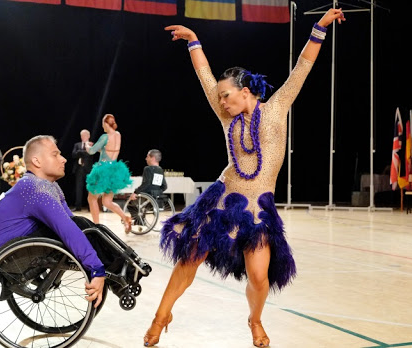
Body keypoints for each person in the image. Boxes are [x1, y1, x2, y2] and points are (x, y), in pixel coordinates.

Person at [143, 8, 346, 348]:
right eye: (219, 97)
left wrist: (320, 27)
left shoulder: (277, 108)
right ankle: (161, 315)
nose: (221, 101)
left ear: (246, 91)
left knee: (259, 275)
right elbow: (205, 76)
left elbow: (302, 69)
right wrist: (194, 41)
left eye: (226, 95)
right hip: (224, 198)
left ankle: (255, 319)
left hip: (259, 208)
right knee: (190, 256)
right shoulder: (228, 119)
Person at [0, 135, 105, 307]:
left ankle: (122, 266)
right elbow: (68, 230)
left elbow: (72, 222)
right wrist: (96, 268)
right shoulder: (36, 187)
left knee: (85, 225)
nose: (64, 159)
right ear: (37, 161)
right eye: (55, 154)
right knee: (80, 228)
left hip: (6, 241)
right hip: (8, 253)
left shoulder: (47, 185)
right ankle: (121, 270)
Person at [85, 114, 133, 232]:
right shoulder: (118, 135)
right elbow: (109, 150)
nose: (102, 126)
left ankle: (97, 226)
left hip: (103, 171)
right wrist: (101, 149)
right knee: (107, 201)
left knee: (92, 199)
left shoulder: (105, 136)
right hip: (114, 170)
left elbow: (91, 151)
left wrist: (86, 144)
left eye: (103, 123)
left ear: (106, 123)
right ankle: (125, 217)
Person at [71, 129, 93, 211]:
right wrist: (83, 152)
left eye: (85, 135)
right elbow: (73, 154)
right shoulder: (77, 145)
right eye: (82, 135)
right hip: (79, 169)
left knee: (89, 189)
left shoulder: (91, 144)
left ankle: (90, 207)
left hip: (88, 169)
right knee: (78, 188)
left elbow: (90, 153)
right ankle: (78, 206)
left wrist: (80, 152)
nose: (83, 137)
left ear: (88, 136)